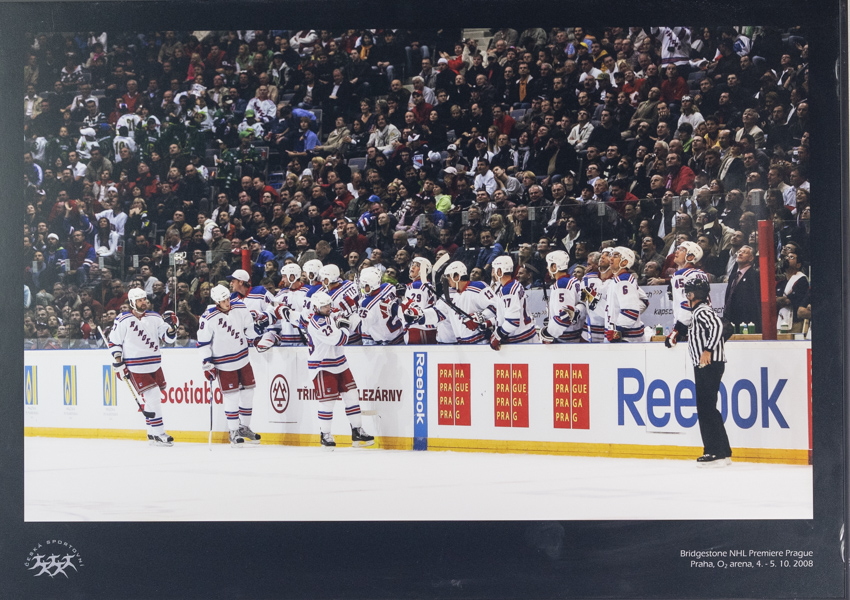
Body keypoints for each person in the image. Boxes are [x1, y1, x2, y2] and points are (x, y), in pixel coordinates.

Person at [672, 277, 732, 467]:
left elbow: (717, 327)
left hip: (708, 364)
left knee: (706, 408)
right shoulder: (701, 311)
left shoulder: (701, 311)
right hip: (709, 364)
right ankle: (722, 451)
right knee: (709, 408)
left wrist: (707, 350)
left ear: (691, 295)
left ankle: (714, 451)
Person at [108, 287, 178, 446]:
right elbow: (114, 342)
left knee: (152, 398)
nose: (143, 302)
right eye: (139, 300)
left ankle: (151, 433)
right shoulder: (122, 320)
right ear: (132, 302)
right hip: (136, 366)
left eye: (144, 299)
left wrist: (171, 328)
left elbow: (167, 339)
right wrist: (118, 361)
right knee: (153, 396)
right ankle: (160, 433)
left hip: (154, 364)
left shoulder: (154, 317)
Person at [305, 290, 375, 448]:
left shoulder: (328, 314)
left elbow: (342, 318)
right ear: (316, 308)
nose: (328, 308)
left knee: (352, 396)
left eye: (329, 305)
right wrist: (345, 327)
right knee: (327, 402)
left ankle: (357, 431)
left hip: (340, 363)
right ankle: (325, 434)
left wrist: (352, 312)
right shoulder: (317, 322)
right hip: (322, 365)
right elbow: (339, 339)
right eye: (324, 306)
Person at [198, 285, 261, 447]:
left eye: (227, 298)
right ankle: (233, 431)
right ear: (216, 301)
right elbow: (203, 343)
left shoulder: (239, 306)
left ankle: (244, 427)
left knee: (248, 393)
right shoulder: (208, 318)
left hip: (243, 358)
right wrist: (207, 363)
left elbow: (249, 328)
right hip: (224, 363)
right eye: (223, 300)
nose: (227, 302)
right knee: (232, 396)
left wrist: (257, 339)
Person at [664, 241, 710, 347]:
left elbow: (687, 304)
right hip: (704, 325)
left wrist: (677, 330)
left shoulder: (681, 275)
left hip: (690, 329)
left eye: (682, 250)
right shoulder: (701, 274)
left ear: (690, 257)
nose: (677, 251)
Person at [441, 261, 498, 345]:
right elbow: (438, 312)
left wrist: (482, 316)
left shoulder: (479, 287)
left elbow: (496, 307)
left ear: (456, 276)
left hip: (481, 342)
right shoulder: (450, 293)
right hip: (461, 344)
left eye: (449, 276)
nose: (447, 279)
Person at [488, 256, 537, 350]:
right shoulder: (515, 284)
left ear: (499, 271)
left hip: (519, 341)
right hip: (526, 335)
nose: (493, 273)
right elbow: (507, 314)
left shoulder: (508, 290)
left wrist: (497, 336)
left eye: (494, 270)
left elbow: (512, 322)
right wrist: (489, 322)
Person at [539, 250, 584, 343]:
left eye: (549, 264)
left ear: (554, 266)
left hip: (565, 338)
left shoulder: (562, 284)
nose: (547, 267)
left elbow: (565, 316)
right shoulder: (573, 280)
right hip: (575, 333)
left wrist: (550, 333)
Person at [227, 268, 276, 351]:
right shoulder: (232, 298)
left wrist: (271, 332)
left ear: (241, 282)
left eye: (233, 281)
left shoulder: (260, 291)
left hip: (262, 341)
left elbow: (274, 309)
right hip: (242, 342)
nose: (231, 283)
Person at [605, 247, 647, 342]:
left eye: (616, 256)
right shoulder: (620, 279)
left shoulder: (624, 280)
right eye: (611, 255)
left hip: (626, 339)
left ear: (624, 262)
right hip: (623, 335)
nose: (610, 258)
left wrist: (618, 330)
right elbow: (644, 301)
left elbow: (630, 311)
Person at [356, 267, 405, 346]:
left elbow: (364, 328)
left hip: (385, 342)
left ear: (371, 285)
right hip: (400, 334)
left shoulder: (365, 304)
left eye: (364, 285)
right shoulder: (388, 287)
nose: (363, 287)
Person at [401, 257, 443, 344]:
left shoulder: (417, 285)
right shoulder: (426, 285)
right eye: (412, 264)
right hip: (427, 328)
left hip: (420, 329)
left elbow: (416, 312)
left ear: (424, 270)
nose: (412, 267)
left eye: (417, 265)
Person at [723, 245, 761, 333]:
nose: (740, 253)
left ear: (751, 258)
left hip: (747, 320)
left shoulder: (755, 275)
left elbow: (755, 300)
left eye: (744, 252)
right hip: (731, 319)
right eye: (739, 252)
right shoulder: (733, 276)